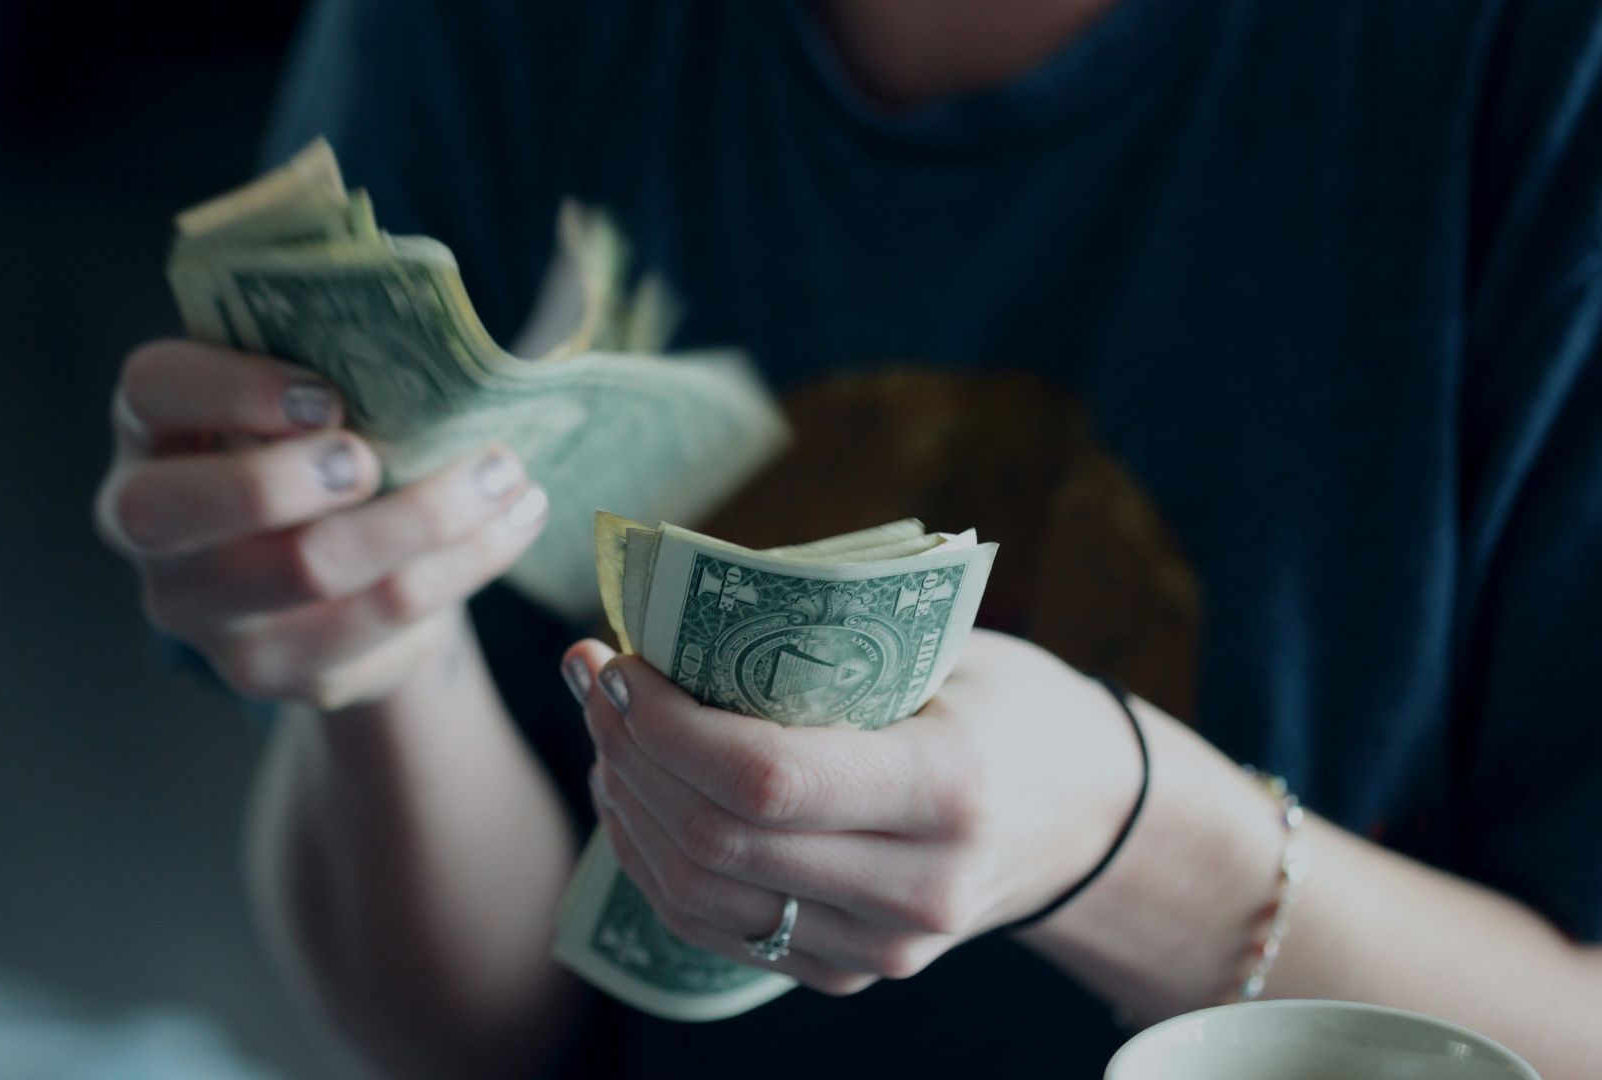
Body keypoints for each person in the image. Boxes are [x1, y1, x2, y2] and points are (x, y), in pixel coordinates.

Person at [93, 1, 1602, 1076]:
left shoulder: (1537, 72)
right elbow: (466, 1039)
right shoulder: (485, 31)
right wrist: (381, 653)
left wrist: (1124, 842)